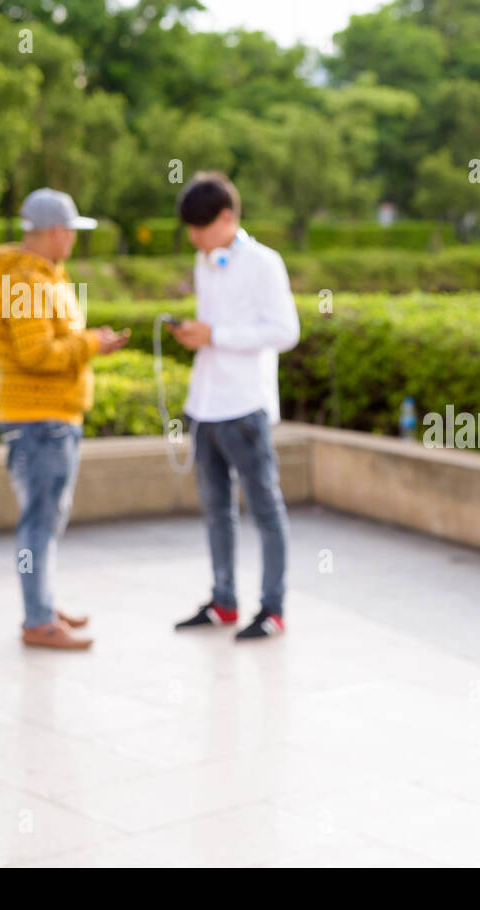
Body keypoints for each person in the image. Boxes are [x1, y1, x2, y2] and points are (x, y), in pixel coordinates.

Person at [0, 188, 128, 650]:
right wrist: (92, 345)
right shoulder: (26, 280)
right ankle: (37, 619)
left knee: (45, 520)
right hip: (39, 420)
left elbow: (51, 340)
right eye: (70, 232)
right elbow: (36, 353)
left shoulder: (42, 276)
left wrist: (86, 341)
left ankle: (41, 606)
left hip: (49, 416)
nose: (72, 241)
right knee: (39, 522)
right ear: (54, 232)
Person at [170, 171, 300, 640]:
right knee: (215, 510)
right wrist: (199, 335)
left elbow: (286, 332)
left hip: (245, 406)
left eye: (200, 227)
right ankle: (224, 600)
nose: (194, 237)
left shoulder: (265, 263)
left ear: (226, 218)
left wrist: (218, 336)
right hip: (206, 404)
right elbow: (216, 328)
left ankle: (273, 608)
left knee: (265, 509)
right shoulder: (205, 263)